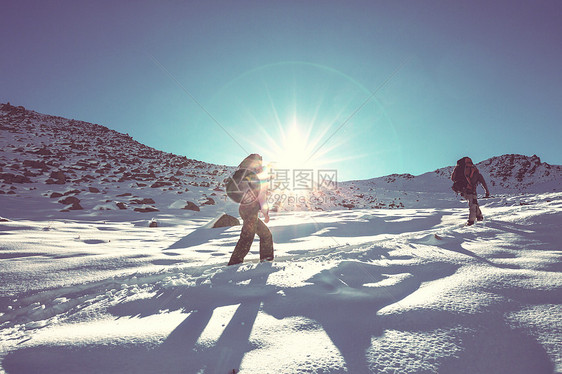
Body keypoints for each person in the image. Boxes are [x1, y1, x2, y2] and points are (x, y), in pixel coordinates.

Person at [228, 154, 274, 265]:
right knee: (247, 237)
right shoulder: (256, 176)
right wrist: (265, 213)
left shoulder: (244, 174)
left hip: (244, 209)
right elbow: (261, 196)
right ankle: (234, 263)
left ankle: (266, 260)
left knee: (265, 234)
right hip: (250, 211)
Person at [451, 157, 490, 226]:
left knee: (474, 203)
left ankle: (479, 217)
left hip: (462, 190)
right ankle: (471, 221)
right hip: (471, 190)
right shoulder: (476, 174)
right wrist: (487, 191)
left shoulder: (460, 170)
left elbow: (453, 178)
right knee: (473, 205)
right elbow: (483, 183)